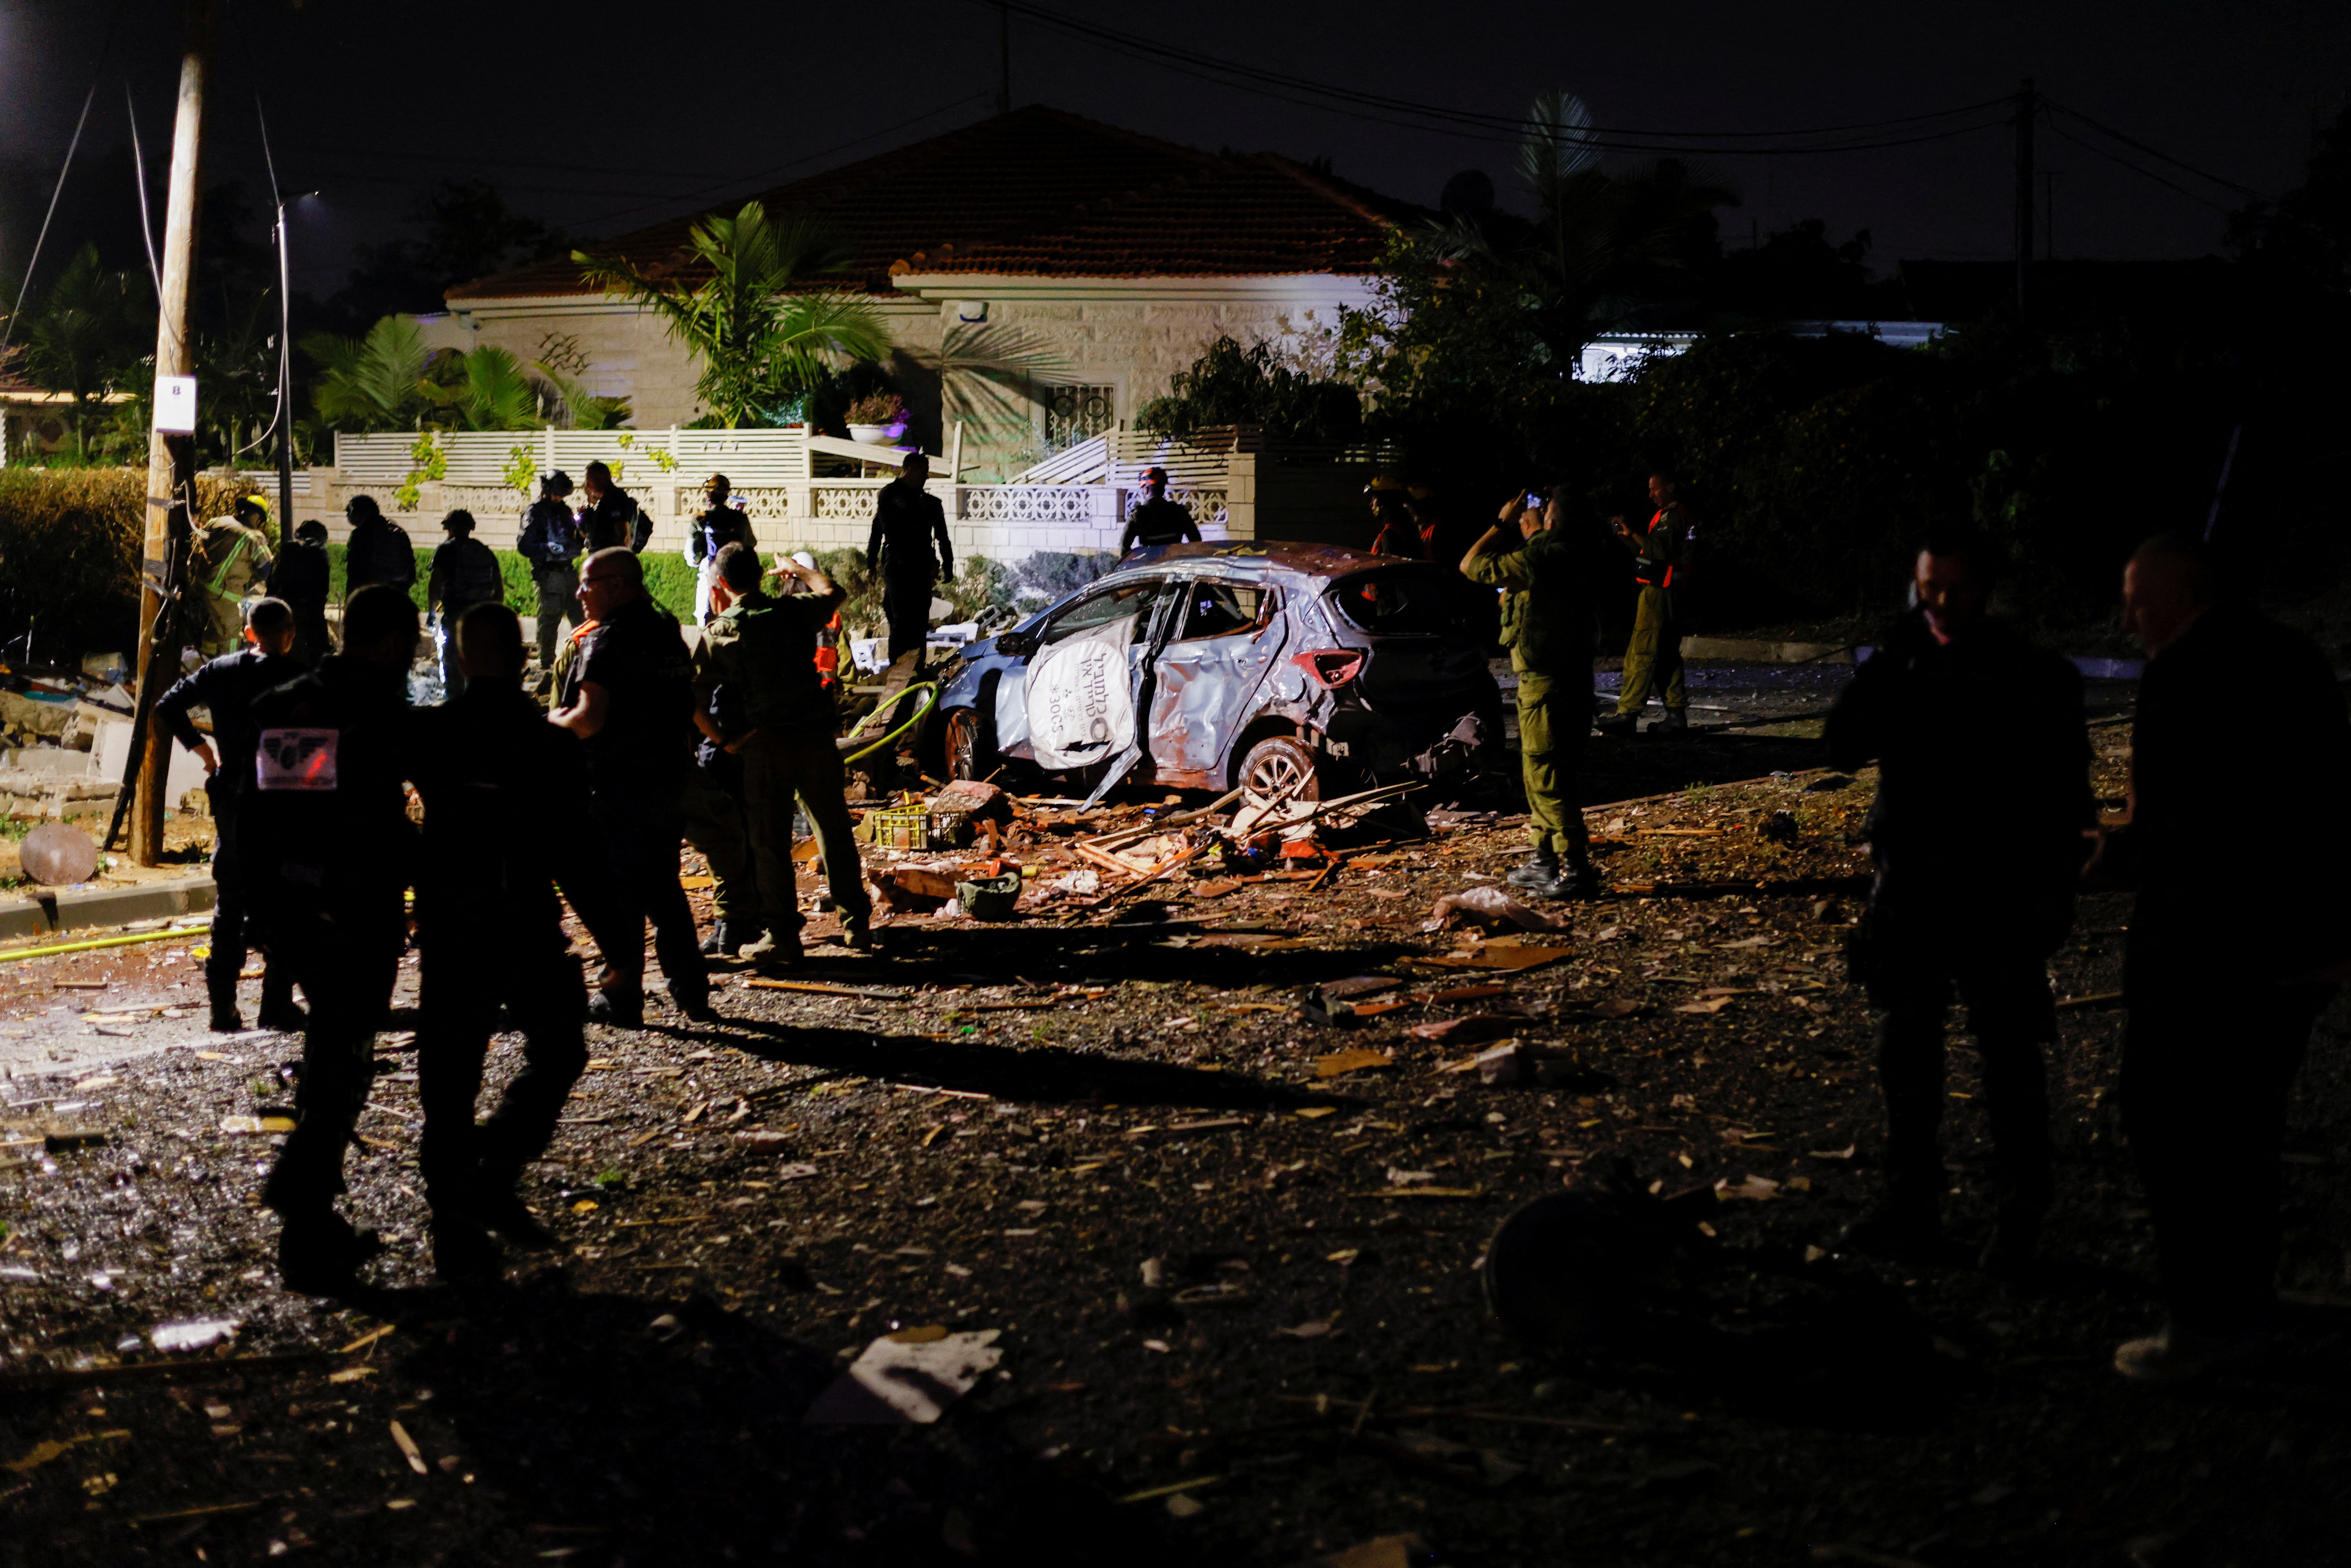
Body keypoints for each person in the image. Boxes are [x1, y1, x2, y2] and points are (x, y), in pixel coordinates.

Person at [2091, 534, 2351, 1381]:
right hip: (2297, 945)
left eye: (2138, 596)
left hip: (2210, 952)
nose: (2128, 614)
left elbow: (2181, 827)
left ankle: (2208, 1325)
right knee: (2247, 1130)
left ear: (2182, 593)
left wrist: (2112, 857)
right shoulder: (2294, 658)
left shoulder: (2181, 678)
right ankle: (2243, 1303)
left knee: (2176, 1127)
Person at [1824, 526, 2091, 1270]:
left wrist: (2053, 892)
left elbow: (2070, 795)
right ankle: (1913, 1207)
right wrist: (1885, 670)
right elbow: (1840, 745)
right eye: (1928, 587)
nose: (1940, 602)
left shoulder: (2030, 674)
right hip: (1911, 886)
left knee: (2008, 1056)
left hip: (1996, 891)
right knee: (1907, 1055)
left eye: (1953, 588)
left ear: (1984, 588)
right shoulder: (1902, 662)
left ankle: (2019, 1216)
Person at [409, 602, 620, 1280]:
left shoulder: (432, 734)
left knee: (448, 1078)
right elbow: (578, 852)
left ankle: (456, 1220)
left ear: (463, 659)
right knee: (559, 1048)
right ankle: (495, 1165)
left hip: (452, 923)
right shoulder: (548, 743)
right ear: (525, 658)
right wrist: (617, 939)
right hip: (525, 919)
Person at [242, 584, 421, 1293]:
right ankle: (304, 1195)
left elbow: (280, 814)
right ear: (390, 641)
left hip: (299, 903)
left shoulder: (296, 702)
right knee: (345, 1050)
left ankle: (310, 1209)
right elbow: (341, 817)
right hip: (352, 906)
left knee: (335, 1046)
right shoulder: (368, 710)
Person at [551, 547, 715, 1027]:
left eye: (588, 583)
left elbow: (588, 719)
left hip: (617, 786)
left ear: (617, 585)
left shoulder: (606, 642)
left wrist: (547, 722)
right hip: (666, 779)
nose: (579, 593)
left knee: (621, 893)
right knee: (665, 888)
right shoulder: (667, 634)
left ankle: (622, 995)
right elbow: (688, 704)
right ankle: (692, 991)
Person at [697, 542, 873, 961]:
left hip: (766, 743)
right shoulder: (793, 610)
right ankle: (856, 926)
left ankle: (783, 936)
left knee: (768, 840)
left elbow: (693, 698)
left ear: (721, 583)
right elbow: (834, 591)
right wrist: (795, 569)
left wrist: (724, 740)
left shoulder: (721, 631)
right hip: (814, 737)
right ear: (762, 576)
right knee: (833, 830)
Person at [155, 597, 306, 1034]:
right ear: (290, 634)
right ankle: (276, 1005)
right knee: (286, 900)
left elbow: (168, 705)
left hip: (234, 795)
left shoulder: (221, 671)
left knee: (232, 899)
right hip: (283, 801)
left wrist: (206, 753)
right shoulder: (300, 679)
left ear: (249, 633)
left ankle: (222, 1009)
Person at [1461, 489, 1606, 900]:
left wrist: (1503, 524)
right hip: (1573, 680)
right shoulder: (1581, 553)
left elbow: (1471, 566)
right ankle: (1544, 859)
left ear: (1552, 522)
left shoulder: (1543, 555)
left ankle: (1575, 868)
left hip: (1546, 684)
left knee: (1548, 777)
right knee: (1541, 774)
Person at [1596, 472, 1696, 735]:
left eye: (1655, 489)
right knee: (1666, 656)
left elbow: (1659, 552)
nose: (1651, 495)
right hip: (1671, 592)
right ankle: (1676, 716)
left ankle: (1627, 715)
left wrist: (1635, 534)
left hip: (1659, 592)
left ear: (1671, 487)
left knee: (1642, 651)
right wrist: (1628, 536)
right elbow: (1650, 552)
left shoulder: (1672, 517)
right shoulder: (1675, 516)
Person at [864, 451, 954, 666]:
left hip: (921, 571)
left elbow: (942, 536)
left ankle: (916, 667)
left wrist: (947, 565)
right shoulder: (890, 496)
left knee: (919, 622)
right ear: (912, 469)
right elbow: (883, 531)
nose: (927, 478)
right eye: (924, 472)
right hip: (900, 568)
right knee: (901, 621)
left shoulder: (930, 503)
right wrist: (871, 565)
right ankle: (898, 669)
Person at [427, 510, 504, 699]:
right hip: (481, 616)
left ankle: (455, 702)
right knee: (478, 658)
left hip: (456, 615)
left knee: (452, 658)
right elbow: (498, 586)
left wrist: (431, 612)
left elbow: (435, 583)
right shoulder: (484, 550)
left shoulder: (446, 550)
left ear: (451, 528)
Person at [189, 496, 276, 656]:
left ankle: (206, 659)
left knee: (216, 630)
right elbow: (265, 569)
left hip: (202, 583)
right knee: (231, 633)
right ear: (258, 517)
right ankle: (229, 668)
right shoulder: (254, 536)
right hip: (224, 593)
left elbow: (195, 546)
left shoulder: (218, 522)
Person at [517, 471, 583, 679]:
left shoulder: (564, 511)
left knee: (580, 616)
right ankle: (547, 664)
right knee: (550, 618)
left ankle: (584, 657)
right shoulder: (534, 512)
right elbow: (524, 545)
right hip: (549, 572)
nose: (559, 498)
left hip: (568, 570)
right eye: (556, 494)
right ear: (546, 490)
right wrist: (546, 547)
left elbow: (575, 538)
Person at [686, 473, 757, 623]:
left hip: (711, 576)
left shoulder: (700, 520)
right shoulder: (741, 518)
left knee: (706, 622)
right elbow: (751, 544)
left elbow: (692, 557)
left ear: (709, 496)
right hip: (738, 577)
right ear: (727, 495)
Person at [273, 520, 333, 665]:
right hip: (310, 610)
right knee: (315, 650)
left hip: (285, 607)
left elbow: (274, 579)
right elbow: (322, 587)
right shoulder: (319, 553)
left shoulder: (286, 550)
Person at [343, 495, 416, 600]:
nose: (348, 516)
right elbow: (411, 568)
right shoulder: (398, 531)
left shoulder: (362, 534)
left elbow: (356, 572)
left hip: (371, 595)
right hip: (398, 593)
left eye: (349, 512)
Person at [1119, 466, 1200, 554]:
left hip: (1150, 566)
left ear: (1146, 490)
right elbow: (1197, 541)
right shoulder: (1179, 512)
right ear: (1163, 489)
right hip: (1174, 565)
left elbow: (1124, 548)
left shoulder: (1137, 516)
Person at [578, 461, 648, 554]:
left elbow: (623, 535)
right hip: (602, 558)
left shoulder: (616, 498)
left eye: (589, 479)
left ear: (601, 478)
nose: (588, 484)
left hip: (610, 560)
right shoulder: (604, 501)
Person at [1368, 477, 1426, 560]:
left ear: (1383, 500)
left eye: (1374, 499)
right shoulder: (1403, 525)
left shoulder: (1391, 532)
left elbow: (1391, 568)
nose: (1371, 504)